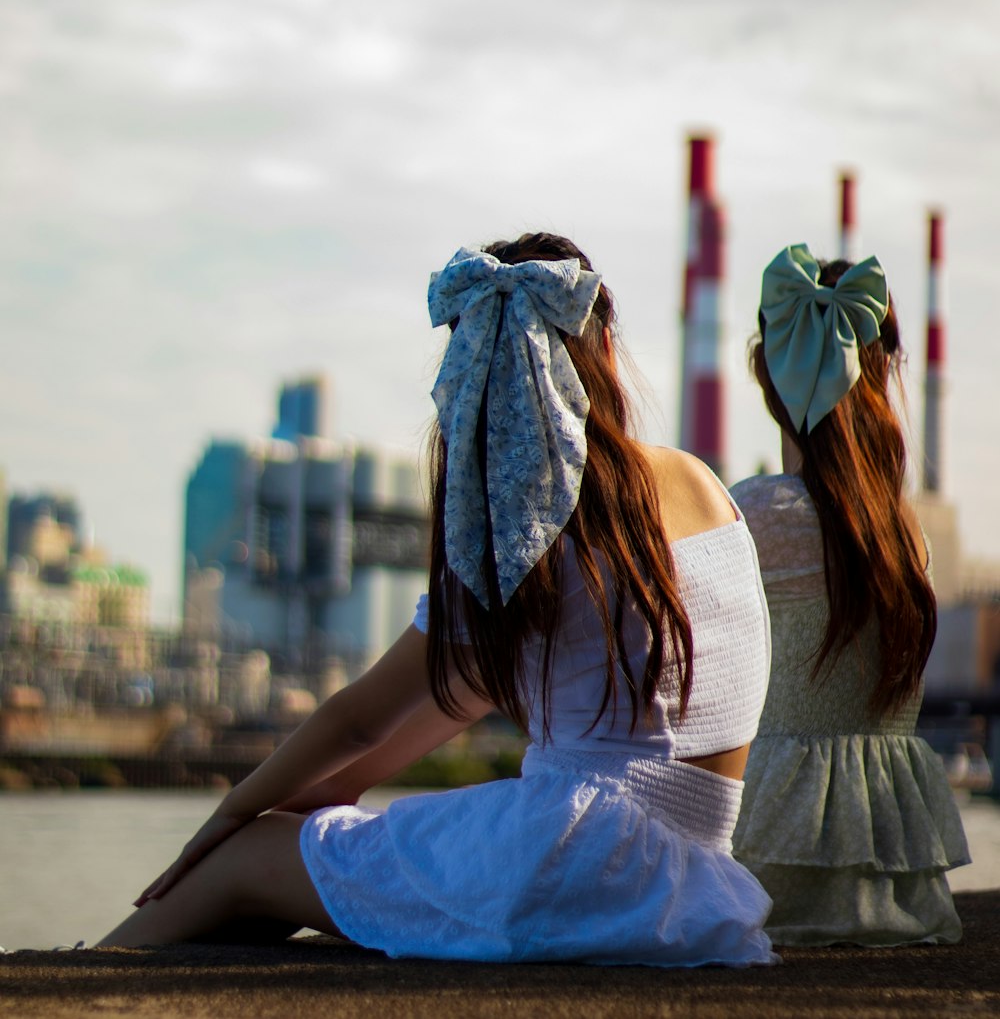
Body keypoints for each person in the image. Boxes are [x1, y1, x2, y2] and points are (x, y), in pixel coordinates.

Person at [98, 232, 773, 966]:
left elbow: (361, 719)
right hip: (692, 882)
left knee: (241, 861)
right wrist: (332, 797)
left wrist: (230, 816)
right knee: (300, 860)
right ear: (602, 349)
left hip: (566, 863)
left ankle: (75, 977)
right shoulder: (705, 486)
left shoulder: (527, 528)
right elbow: (467, 689)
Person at [730, 244, 970, 947]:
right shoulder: (907, 537)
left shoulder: (752, 515)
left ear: (771, 379)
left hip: (765, 877)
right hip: (898, 895)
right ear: (884, 372)